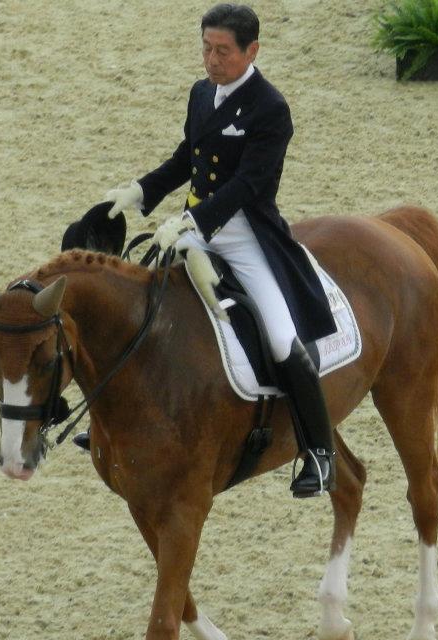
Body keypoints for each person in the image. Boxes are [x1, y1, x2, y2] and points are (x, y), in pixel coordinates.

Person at [94, 3, 338, 497]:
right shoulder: (202, 94)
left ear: (252, 50)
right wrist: (140, 192)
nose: (211, 60)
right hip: (190, 226)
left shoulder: (271, 108)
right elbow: (187, 157)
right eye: (206, 48)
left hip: (245, 234)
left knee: (279, 338)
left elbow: (250, 183)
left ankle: (320, 451)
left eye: (222, 51)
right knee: (137, 308)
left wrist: (190, 221)